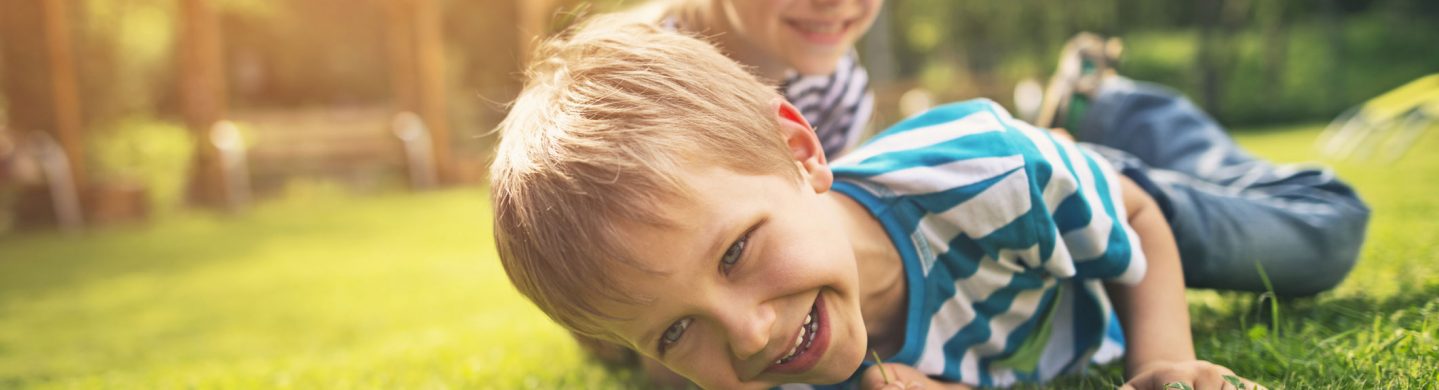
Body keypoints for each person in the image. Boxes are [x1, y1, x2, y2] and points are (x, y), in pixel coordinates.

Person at [489, 21, 1263, 389]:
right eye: (676, 330)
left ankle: (1107, 106)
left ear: (801, 151)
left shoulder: (989, 174)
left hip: (1092, 188)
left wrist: (1160, 361)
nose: (751, 334)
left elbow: (1133, 221)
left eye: (734, 253)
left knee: (1319, 238)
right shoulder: (765, 368)